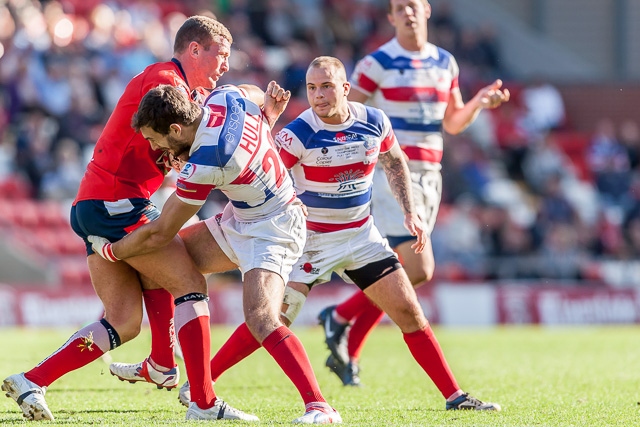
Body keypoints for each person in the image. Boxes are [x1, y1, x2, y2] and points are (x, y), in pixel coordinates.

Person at [177, 56, 500, 412]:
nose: (318, 95)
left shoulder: (374, 121)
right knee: (270, 321)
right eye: (312, 88)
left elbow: (394, 162)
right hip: (309, 243)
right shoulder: (298, 133)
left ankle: (455, 397)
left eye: (327, 86)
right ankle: (201, 382)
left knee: (409, 311)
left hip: (361, 237)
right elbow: (263, 177)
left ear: (345, 89)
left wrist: (411, 212)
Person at [2, 16, 259, 422]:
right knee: (190, 281)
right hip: (118, 201)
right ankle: (203, 402)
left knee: (122, 322)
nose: (224, 65)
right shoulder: (166, 83)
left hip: (94, 204)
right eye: (220, 55)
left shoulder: (177, 85)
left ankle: (32, 379)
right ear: (195, 49)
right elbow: (181, 140)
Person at [88, 83, 342, 424]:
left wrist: (112, 251)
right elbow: (250, 92)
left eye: (154, 138)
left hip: (274, 228)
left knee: (261, 318)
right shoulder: (223, 98)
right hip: (243, 215)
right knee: (162, 270)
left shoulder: (210, 159)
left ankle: (320, 406)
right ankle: (162, 364)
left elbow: (161, 232)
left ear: (176, 129)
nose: (153, 146)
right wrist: (268, 112)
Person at [317, 0, 510, 386]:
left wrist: (478, 103)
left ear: (427, 11)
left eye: (413, 5)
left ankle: (345, 337)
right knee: (419, 268)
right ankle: (340, 320)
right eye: (399, 7)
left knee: (402, 272)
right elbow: (348, 115)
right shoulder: (377, 64)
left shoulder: (445, 63)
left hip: (430, 177)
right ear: (390, 18)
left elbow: (453, 122)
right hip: (393, 174)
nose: (407, 12)